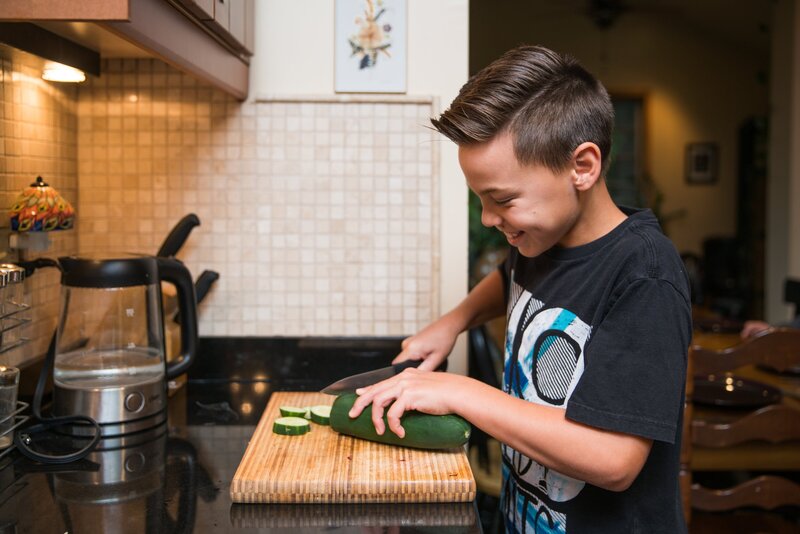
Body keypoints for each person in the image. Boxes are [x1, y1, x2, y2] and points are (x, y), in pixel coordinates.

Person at [348, 45, 692, 533]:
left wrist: (462, 392)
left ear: (583, 166)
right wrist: (454, 322)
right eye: (481, 201)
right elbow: (506, 277)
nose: (489, 219)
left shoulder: (645, 274)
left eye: (503, 199)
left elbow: (615, 459)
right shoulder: (541, 238)